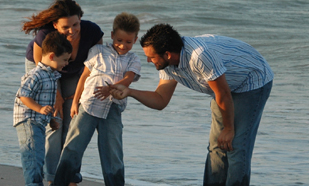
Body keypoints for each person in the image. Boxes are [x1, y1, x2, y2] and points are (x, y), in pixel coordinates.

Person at [109, 24, 274, 186]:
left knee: (235, 145)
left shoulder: (199, 56)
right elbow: (160, 100)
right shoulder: (167, 65)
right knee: (217, 145)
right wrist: (130, 91)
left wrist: (229, 129)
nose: (148, 60)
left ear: (167, 54)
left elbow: (223, 93)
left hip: (252, 79)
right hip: (223, 87)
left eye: (151, 57)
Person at [53, 12, 141, 186]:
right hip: (88, 106)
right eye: (119, 40)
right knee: (73, 146)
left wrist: (111, 89)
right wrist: (75, 101)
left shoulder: (133, 59)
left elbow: (129, 79)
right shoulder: (98, 51)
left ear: (135, 40)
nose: (123, 46)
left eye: (128, 42)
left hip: (113, 109)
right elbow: (84, 76)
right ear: (112, 35)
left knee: (113, 152)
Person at [22, 0, 104, 184]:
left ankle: (69, 177)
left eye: (76, 25)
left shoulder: (92, 32)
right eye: (65, 27)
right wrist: (56, 95)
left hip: (76, 70)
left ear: (80, 19)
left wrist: (76, 98)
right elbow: (42, 69)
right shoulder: (45, 35)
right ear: (55, 25)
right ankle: (52, 179)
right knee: (55, 122)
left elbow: (93, 67)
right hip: (43, 68)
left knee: (73, 122)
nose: (72, 31)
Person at [13, 31, 72, 186]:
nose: (66, 63)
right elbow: (23, 96)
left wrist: (51, 119)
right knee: (33, 158)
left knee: (38, 157)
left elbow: (45, 100)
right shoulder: (36, 75)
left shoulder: (52, 76)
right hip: (28, 120)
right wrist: (39, 109)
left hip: (38, 122)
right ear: (52, 56)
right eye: (64, 60)